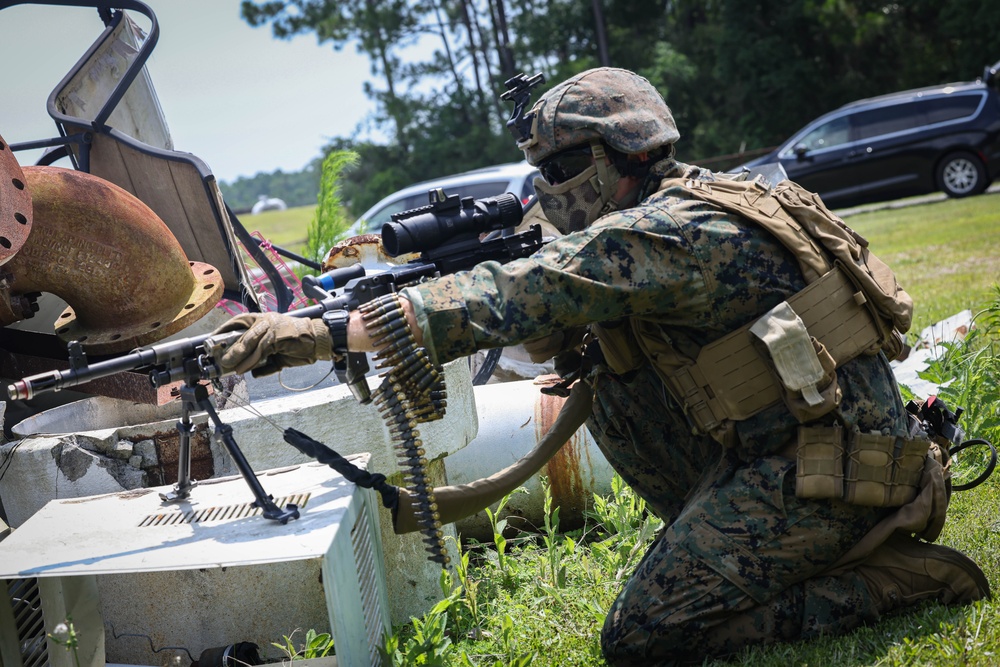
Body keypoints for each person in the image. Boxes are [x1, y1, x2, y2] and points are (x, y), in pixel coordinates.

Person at [213, 68, 990, 664]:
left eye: (559, 170)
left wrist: (320, 333)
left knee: (640, 636)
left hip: (829, 472)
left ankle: (891, 578)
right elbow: (556, 309)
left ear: (621, 157)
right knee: (606, 366)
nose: (546, 191)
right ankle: (741, 543)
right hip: (800, 448)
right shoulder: (691, 204)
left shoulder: (673, 232)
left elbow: (520, 290)